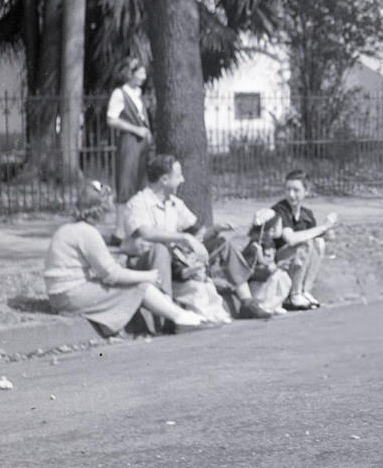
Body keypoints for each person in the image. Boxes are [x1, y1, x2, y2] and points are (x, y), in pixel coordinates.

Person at [122, 154, 275, 320]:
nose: (183, 180)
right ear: (164, 180)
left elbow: (197, 236)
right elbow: (147, 233)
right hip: (149, 263)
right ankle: (168, 311)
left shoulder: (174, 203)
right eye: (179, 175)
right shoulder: (138, 203)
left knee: (221, 243)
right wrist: (183, 238)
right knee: (160, 249)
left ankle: (246, 301)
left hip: (176, 261)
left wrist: (215, 230)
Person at [44, 179, 208, 335]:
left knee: (132, 287)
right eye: (108, 209)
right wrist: (147, 276)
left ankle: (179, 315)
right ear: (100, 210)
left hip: (60, 294)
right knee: (141, 288)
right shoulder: (87, 232)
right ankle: (180, 317)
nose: (109, 214)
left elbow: (102, 267)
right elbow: (111, 274)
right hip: (70, 295)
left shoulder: (68, 228)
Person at [264, 169, 337, 310]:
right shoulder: (280, 210)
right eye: (288, 189)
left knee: (318, 243)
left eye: (296, 190)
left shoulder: (306, 214)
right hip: (277, 261)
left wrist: (327, 233)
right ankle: (294, 294)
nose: (291, 195)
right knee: (304, 243)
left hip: (294, 260)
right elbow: (290, 239)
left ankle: (305, 290)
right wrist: (322, 228)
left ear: (306, 191)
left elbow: (316, 236)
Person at [106, 57, 152, 239]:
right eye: (140, 73)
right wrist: (135, 129)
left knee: (141, 184)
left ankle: (135, 228)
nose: (144, 76)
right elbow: (111, 120)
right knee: (125, 183)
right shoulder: (120, 93)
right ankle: (119, 231)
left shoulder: (138, 93)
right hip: (129, 142)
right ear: (130, 74)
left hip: (142, 143)